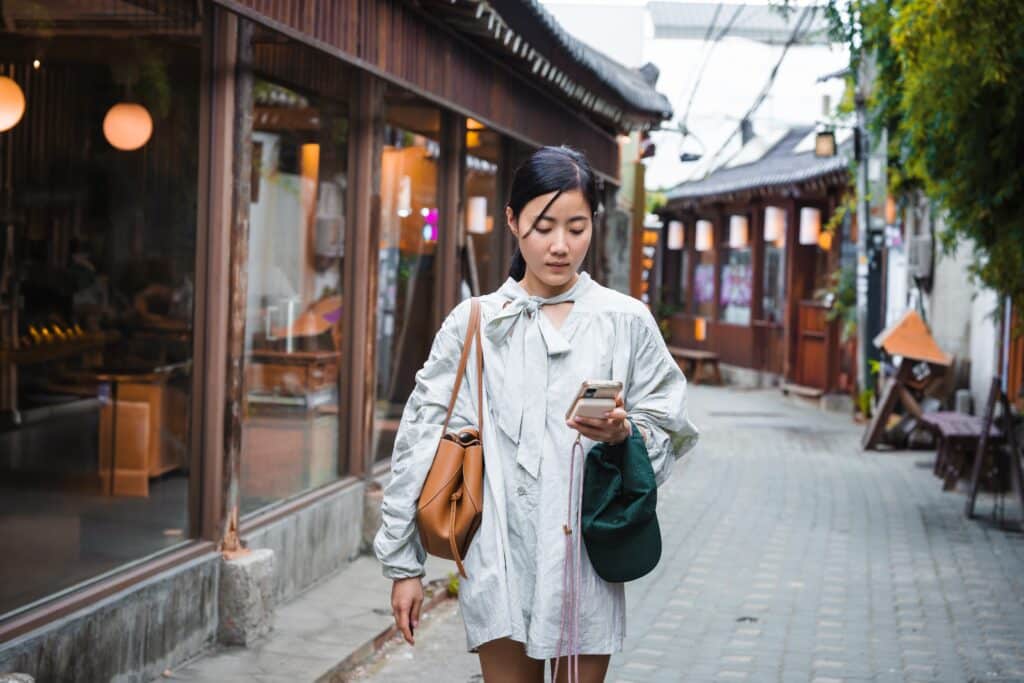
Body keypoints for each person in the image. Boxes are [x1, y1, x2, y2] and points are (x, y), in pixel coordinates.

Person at [374, 146, 698, 682]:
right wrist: (403, 565)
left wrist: (624, 435)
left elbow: (669, 424)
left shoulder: (625, 320)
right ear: (512, 221)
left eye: (576, 227)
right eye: (544, 227)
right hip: (498, 554)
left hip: (586, 560)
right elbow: (420, 439)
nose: (560, 245)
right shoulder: (474, 322)